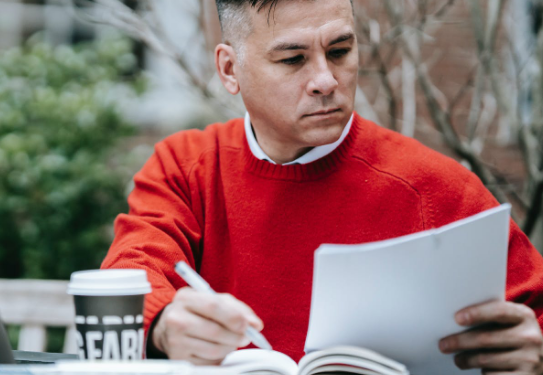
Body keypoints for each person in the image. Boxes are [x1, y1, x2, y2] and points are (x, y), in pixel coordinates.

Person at [101, 0, 543, 373]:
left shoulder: (435, 187)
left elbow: (533, 315)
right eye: (293, 59)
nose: (326, 80)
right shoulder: (188, 168)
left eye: (339, 50)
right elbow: (127, 276)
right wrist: (162, 323)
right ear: (229, 69)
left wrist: (535, 351)